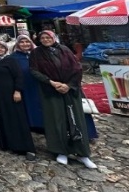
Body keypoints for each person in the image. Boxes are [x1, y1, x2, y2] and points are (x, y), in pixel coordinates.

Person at [29, 31, 97, 169]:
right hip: (50, 90)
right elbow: (34, 71)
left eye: (48, 37)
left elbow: (77, 68)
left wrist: (69, 85)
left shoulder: (65, 50)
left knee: (76, 119)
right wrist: (51, 82)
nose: (45, 39)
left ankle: (82, 153)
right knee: (56, 121)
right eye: (42, 38)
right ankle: (61, 151)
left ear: (53, 38)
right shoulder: (36, 53)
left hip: (70, 90)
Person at [0, 40, 36, 160]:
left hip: (11, 94)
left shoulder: (11, 61)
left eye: (1, 47)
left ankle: (23, 146)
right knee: (1, 117)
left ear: (5, 49)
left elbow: (18, 76)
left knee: (16, 118)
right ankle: (6, 143)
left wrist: (17, 90)